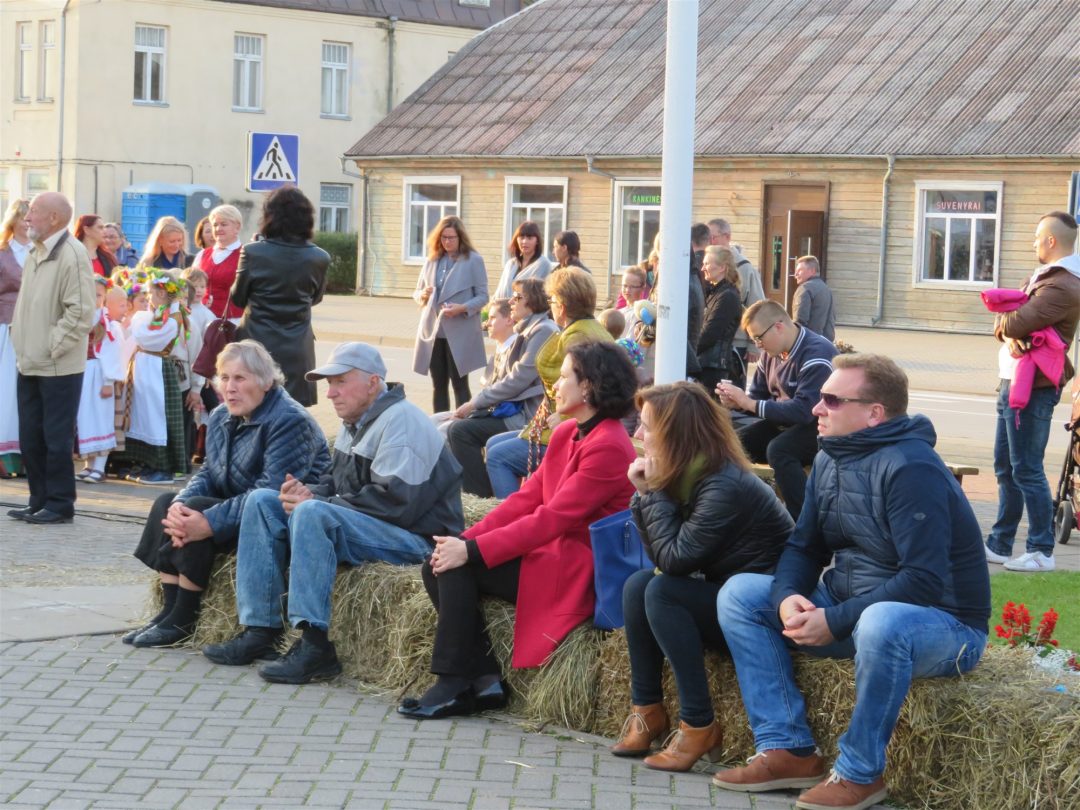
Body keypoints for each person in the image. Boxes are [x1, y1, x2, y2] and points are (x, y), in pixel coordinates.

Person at [713, 354, 991, 810]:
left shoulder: (912, 468)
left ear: (874, 413)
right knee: (740, 595)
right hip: (854, 607)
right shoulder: (829, 458)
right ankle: (786, 748)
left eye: (831, 400)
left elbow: (922, 581)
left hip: (943, 624)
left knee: (881, 623)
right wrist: (787, 598)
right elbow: (804, 547)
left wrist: (836, 620)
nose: (816, 408)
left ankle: (860, 773)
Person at [398, 341, 638, 720]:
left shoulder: (610, 445)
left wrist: (471, 551)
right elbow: (524, 500)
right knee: (440, 563)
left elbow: (551, 519)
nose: (554, 386)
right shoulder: (567, 433)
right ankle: (483, 680)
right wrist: (464, 541)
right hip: (552, 554)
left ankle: (455, 681)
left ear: (589, 387)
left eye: (564, 377)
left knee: (455, 567)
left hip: (579, 568)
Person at [203, 342, 464, 684]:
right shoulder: (356, 419)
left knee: (312, 514)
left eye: (340, 382)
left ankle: (315, 647)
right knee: (263, 501)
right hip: (382, 525)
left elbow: (396, 504)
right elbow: (338, 482)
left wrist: (317, 504)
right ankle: (260, 630)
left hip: (421, 541)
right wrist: (309, 492)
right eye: (329, 383)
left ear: (372, 383)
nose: (330, 393)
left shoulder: (402, 424)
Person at [613, 382, 793, 770]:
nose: (638, 435)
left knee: (663, 592)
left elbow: (674, 562)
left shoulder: (722, 485)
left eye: (647, 427)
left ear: (676, 433)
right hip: (728, 595)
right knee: (638, 585)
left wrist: (650, 495)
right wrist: (647, 495)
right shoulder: (691, 475)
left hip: (763, 612)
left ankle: (698, 724)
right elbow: (661, 557)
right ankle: (647, 710)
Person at [126, 341, 330, 648]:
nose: (229, 387)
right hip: (238, 505)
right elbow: (209, 472)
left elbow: (269, 492)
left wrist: (208, 521)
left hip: (275, 521)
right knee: (168, 503)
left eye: (240, 378)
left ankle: (184, 616)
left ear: (265, 382)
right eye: (224, 377)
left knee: (198, 510)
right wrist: (179, 505)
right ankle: (168, 610)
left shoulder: (290, 420)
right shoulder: (222, 415)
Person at [984, 211, 1080, 573]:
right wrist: (1008, 327)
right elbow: (1005, 322)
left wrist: (1008, 325)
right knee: (1005, 467)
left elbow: (1011, 321)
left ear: (1051, 241)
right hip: (1011, 380)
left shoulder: (1063, 285)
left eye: (1037, 236)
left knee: (1026, 469)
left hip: (1033, 388)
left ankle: (1041, 550)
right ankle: (1000, 543)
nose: (1033, 242)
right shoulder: (1044, 277)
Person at [485, 267, 613, 498]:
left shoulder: (577, 337)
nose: (550, 305)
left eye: (551, 300)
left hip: (570, 428)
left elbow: (591, 386)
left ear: (561, 306)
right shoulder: (585, 329)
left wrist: (565, 419)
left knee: (497, 457)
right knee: (494, 444)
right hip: (559, 420)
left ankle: (515, 513)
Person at [8, 192, 95, 524]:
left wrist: (50, 346)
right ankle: (39, 500)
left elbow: (81, 312)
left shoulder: (72, 254)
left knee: (55, 439)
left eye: (34, 211)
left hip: (58, 365)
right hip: (30, 360)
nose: (27, 217)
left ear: (54, 218)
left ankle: (59, 504)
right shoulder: (37, 250)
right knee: (31, 437)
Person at [717, 300, 836, 520]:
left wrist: (748, 403)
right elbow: (758, 397)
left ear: (778, 327)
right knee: (732, 443)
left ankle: (803, 520)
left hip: (822, 426)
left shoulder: (817, 353)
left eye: (758, 338)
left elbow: (803, 411)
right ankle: (736, 508)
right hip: (787, 423)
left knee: (780, 450)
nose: (758, 346)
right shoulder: (771, 354)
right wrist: (737, 402)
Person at [442, 282, 558, 498]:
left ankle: (481, 498)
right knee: (452, 426)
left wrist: (475, 403)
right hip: (517, 408)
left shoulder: (543, 331)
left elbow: (518, 378)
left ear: (532, 302)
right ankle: (478, 495)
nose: (511, 301)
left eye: (517, 297)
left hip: (528, 414)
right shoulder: (530, 329)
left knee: (460, 432)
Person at [231, 186, 329, 407]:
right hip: (297, 346)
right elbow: (315, 299)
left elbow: (238, 298)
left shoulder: (253, 251)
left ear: (269, 216)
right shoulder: (320, 257)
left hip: (256, 343)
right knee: (292, 413)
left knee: (252, 409)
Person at [118, 271, 190, 485]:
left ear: (161, 293)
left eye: (150, 293)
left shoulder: (172, 318)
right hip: (144, 367)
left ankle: (162, 468)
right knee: (142, 414)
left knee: (156, 416)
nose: (148, 298)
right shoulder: (157, 314)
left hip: (157, 369)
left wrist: (138, 319)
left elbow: (145, 336)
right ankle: (143, 462)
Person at [412, 215, 489, 413]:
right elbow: (417, 292)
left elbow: (483, 297)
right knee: (438, 385)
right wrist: (423, 295)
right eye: (444, 237)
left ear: (460, 237)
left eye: (451, 237)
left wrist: (462, 308)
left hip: (460, 331)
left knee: (459, 384)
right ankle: (439, 425)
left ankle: (463, 425)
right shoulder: (432, 260)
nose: (447, 242)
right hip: (434, 331)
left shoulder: (473, 260)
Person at [74, 276, 123, 482]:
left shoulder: (109, 324)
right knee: (85, 417)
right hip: (83, 372)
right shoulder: (81, 317)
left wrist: (109, 381)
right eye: (91, 294)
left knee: (100, 418)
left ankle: (100, 467)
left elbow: (113, 354)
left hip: (99, 374)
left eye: (99, 295)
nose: (94, 298)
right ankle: (89, 465)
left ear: (105, 298)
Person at [0, 199, 31, 477]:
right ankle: (4, 457)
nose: (27, 223)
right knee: (6, 390)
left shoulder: (41, 251)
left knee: (28, 393)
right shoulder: (3, 252)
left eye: (31, 217)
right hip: (5, 327)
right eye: (22, 217)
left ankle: (26, 456)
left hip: (34, 328)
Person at [708, 218, 765, 364]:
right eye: (708, 238)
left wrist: (754, 344)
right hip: (710, 340)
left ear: (727, 237)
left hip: (736, 343)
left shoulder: (744, 267)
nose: (710, 242)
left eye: (713, 237)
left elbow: (757, 306)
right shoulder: (706, 266)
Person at [697, 246, 745, 394]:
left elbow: (710, 334)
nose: (703, 268)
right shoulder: (715, 292)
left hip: (715, 369)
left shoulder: (727, 296)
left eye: (707, 264)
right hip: (708, 365)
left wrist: (687, 351)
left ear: (722, 267)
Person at [194, 205, 245, 321]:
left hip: (232, 321)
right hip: (202, 319)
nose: (218, 229)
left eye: (224, 224)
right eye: (215, 225)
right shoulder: (202, 254)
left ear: (237, 227)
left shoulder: (245, 255)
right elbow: (190, 286)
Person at [492, 220, 553, 300]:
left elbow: (541, 296)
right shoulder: (510, 264)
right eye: (521, 237)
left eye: (529, 238)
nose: (524, 241)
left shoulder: (543, 264)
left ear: (537, 241)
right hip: (501, 306)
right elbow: (499, 292)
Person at [791, 255, 835, 341]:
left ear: (812, 271)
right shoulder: (826, 289)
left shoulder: (804, 289)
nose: (795, 275)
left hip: (809, 342)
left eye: (799, 270)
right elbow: (831, 320)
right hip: (825, 342)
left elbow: (799, 322)